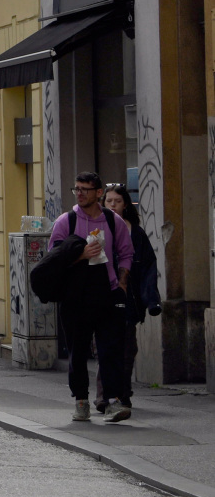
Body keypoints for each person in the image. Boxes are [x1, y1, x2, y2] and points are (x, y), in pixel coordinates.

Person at [50, 172, 134, 423]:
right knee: (77, 352)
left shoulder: (112, 220)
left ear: (99, 193)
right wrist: (80, 255)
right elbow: (53, 256)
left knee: (110, 349)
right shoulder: (67, 221)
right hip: (75, 297)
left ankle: (114, 401)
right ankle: (81, 401)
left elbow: (126, 252)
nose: (80, 193)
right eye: (77, 189)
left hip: (107, 294)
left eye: (85, 189)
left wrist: (121, 281)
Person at [97, 183, 160, 413]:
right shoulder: (98, 227)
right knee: (106, 346)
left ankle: (123, 393)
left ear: (125, 205)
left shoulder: (136, 232)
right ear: (103, 203)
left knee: (127, 349)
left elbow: (148, 268)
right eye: (109, 201)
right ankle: (104, 396)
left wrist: (151, 300)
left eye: (118, 201)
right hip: (104, 296)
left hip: (128, 298)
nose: (113, 205)